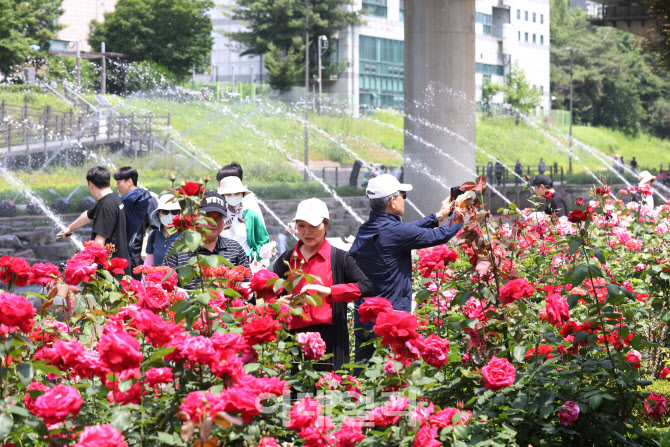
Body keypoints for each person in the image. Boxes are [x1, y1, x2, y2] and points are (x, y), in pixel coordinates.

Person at [349, 174, 462, 366]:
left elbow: (405, 231)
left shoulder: (367, 228)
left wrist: (439, 216)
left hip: (365, 317)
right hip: (391, 323)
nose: (404, 199)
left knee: (364, 377)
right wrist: (461, 213)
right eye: (403, 195)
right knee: (393, 377)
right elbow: (442, 235)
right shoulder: (395, 232)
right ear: (393, 202)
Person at [273, 198, 374, 371]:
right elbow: (267, 298)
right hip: (294, 339)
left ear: (326, 225)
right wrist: (276, 304)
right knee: (296, 394)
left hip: (331, 338)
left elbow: (365, 285)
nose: (307, 232)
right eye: (302, 226)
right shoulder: (285, 260)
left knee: (329, 393)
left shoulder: (340, 258)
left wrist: (329, 291)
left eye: (313, 226)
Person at [163, 191, 250, 290]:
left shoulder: (235, 249)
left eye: (219, 217)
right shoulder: (179, 249)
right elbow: (165, 286)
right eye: (207, 217)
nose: (213, 223)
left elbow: (248, 286)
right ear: (196, 218)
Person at [58, 166, 130, 274]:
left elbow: (98, 244)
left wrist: (79, 264)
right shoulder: (114, 199)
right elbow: (88, 214)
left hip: (109, 272)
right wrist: (70, 228)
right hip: (120, 266)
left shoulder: (106, 206)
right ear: (108, 181)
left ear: (91, 184)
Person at [218, 176, 270, 262]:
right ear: (223, 196)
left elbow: (264, 242)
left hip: (247, 265)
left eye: (237, 193)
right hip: (224, 266)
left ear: (242, 194)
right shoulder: (219, 217)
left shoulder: (251, 216)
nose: (233, 196)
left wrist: (252, 256)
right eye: (229, 194)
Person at [113, 167, 154, 276]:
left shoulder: (126, 202)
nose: (117, 186)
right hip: (145, 251)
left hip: (130, 251)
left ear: (130, 181)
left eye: (119, 182)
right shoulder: (148, 197)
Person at [144, 194, 181, 267]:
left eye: (174, 212)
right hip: (158, 277)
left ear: (179, 213)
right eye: (165, 212)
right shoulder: (153, 235)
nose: (169, 215)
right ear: (158, 214)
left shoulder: (185, 235)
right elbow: (148, 264)